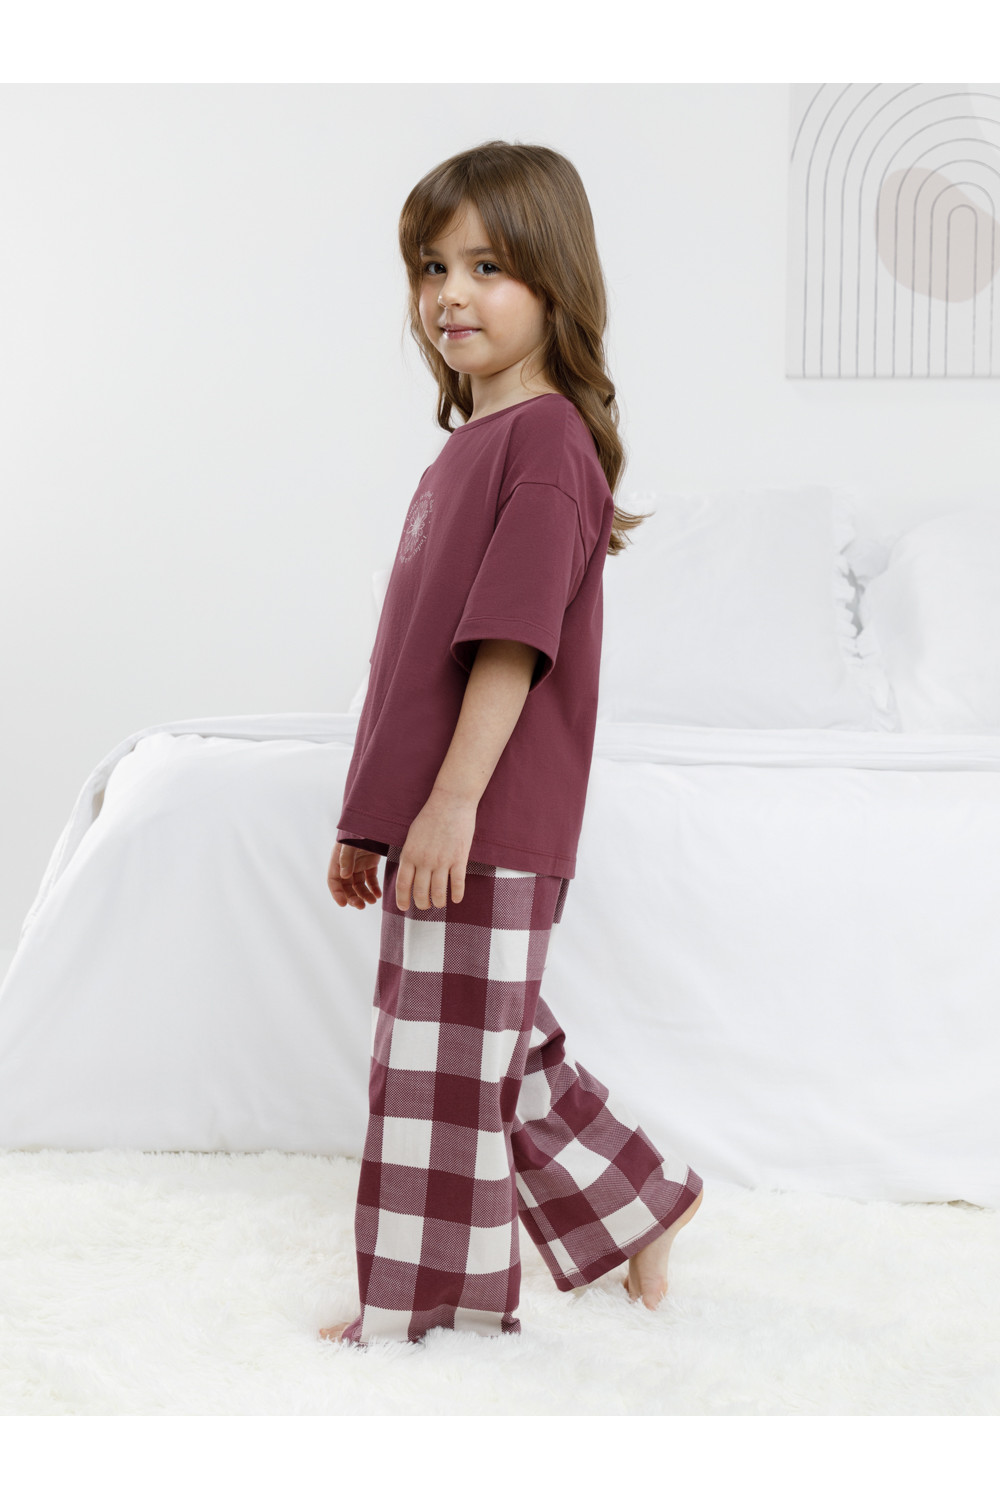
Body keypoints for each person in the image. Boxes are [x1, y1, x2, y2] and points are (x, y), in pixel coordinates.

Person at [319, 140, 703, 1347]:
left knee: (439, 1077)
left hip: (486, 812)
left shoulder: (546, 442)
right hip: (441, 814)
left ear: (554, 281)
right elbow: (407, 671)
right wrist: (369, 819)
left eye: (487, 266)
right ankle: (641, 1205)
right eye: (432, 267)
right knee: (492, 1050)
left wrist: (449, 808)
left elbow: (509, 643)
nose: (450, 294)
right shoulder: (462, 452)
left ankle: (425, 1317)